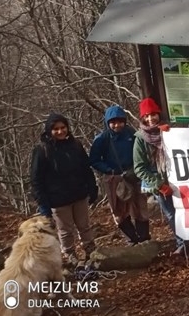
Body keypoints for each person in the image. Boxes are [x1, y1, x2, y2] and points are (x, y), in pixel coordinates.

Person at [133, 97, 189, 257]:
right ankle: (182, 244)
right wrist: (158, 184)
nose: (151, 119)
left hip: (182, 180)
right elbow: (139, 168)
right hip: (161, 185)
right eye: (147, 116)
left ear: (159, 114)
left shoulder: (171, 130)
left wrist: (172, 134)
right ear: (143, 118)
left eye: (153, 115)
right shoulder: (140, 139)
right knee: (172, 214)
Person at [31, 113, 97, 264]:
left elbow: (86, 168)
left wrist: (92, 187)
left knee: (84, 226)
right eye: (56, 129)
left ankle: (91, 251)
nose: (60, 131)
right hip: (58, 200)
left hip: (79, 194)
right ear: (49, 130)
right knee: (65, 231)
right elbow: (36, 180)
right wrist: (43, 204)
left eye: (63, 128)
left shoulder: (75, 145)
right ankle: (70, 255)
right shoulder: (42, 150)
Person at [89, 105, 150, 246]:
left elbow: (141, 152)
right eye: (113, 122)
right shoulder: (102, 139)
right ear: (107, 122)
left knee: (140, 207)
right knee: (119, 211)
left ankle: (144, 238)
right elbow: (94, 160)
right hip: (113, 179)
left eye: (120, 121)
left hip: (134, 175)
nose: (117, 125)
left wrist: (138, 169)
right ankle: (131, 238)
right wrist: (108, 170)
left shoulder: (131, 133)